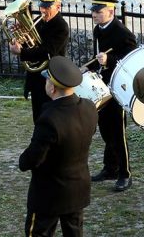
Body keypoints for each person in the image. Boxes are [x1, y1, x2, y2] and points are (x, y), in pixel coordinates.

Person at [19, 56, 98, 237]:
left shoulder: (49, 118)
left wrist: (22, 160)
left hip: (49, 194)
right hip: (77, 189)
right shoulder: (89, 107)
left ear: (52, 87)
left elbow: (33, 158)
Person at [84, 0, 137, 191]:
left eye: (98, 12)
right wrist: (88, 67)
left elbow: (131, 59)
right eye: (93, 11)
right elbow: (99, 56)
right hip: (103, 84)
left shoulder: (122, 32)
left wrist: (111, 60)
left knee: (117, 131)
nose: (94, 15)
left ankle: (125, 173)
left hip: (118, 87)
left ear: (111, 11)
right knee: (106, 128)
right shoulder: (99, 29)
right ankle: (110, 168)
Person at [9, 0, 70, 123]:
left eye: (47, 7)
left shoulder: (61, 26)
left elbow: (48, 52)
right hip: (36, 76)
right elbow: (31, 45)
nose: (42, 9)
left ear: (58, 7)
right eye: (41, 5)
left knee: (50, 117)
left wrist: (21, 53)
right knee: (37, 115)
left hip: (51, 76)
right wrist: (21, 39)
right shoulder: (39, 20)